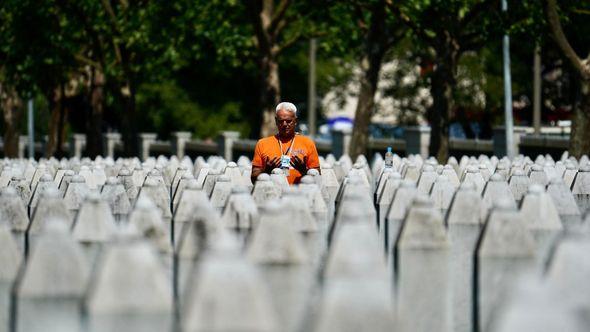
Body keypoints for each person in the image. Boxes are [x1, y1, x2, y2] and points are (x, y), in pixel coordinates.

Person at [251, 102, 321, 184]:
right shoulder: (262, 143)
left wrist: (303, 170)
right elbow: (253, 178)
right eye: (281, 121)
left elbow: (317, 177)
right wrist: (266, 170)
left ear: (295, 121)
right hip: (272, 193)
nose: (284, 124)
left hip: (300, 194)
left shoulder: (307, 143)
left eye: (288, 121)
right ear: (276, 121)